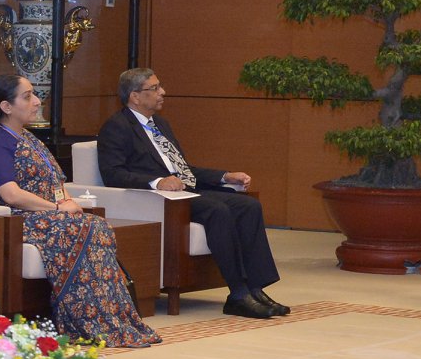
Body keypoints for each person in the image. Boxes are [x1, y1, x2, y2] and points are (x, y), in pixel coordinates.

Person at [0, 72, 160, 348]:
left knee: (97, 225)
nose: (37, 101)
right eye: (27, 96)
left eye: (35, 94)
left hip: (44, 215)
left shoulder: (30, 139)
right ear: (6, 106)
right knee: (84, 227)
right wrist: (58, 208)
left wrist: (70, 204)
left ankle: (111, 319)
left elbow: (55, 183)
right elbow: (10, 194)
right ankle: (84, 322)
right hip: (12, 220)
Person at [97, 68, 288, 320]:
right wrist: (157, 182)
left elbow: (184, 170)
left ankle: (255, 288)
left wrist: (224, 176)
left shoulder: (161, 124)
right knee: (217, 210)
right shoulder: (117, 127)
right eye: (154, 88)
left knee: (248, 206)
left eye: (159, 86)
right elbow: (113, 174)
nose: (162, 92)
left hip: (186, 191)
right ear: (135, 96)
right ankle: (238, 293)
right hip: (162, 200)